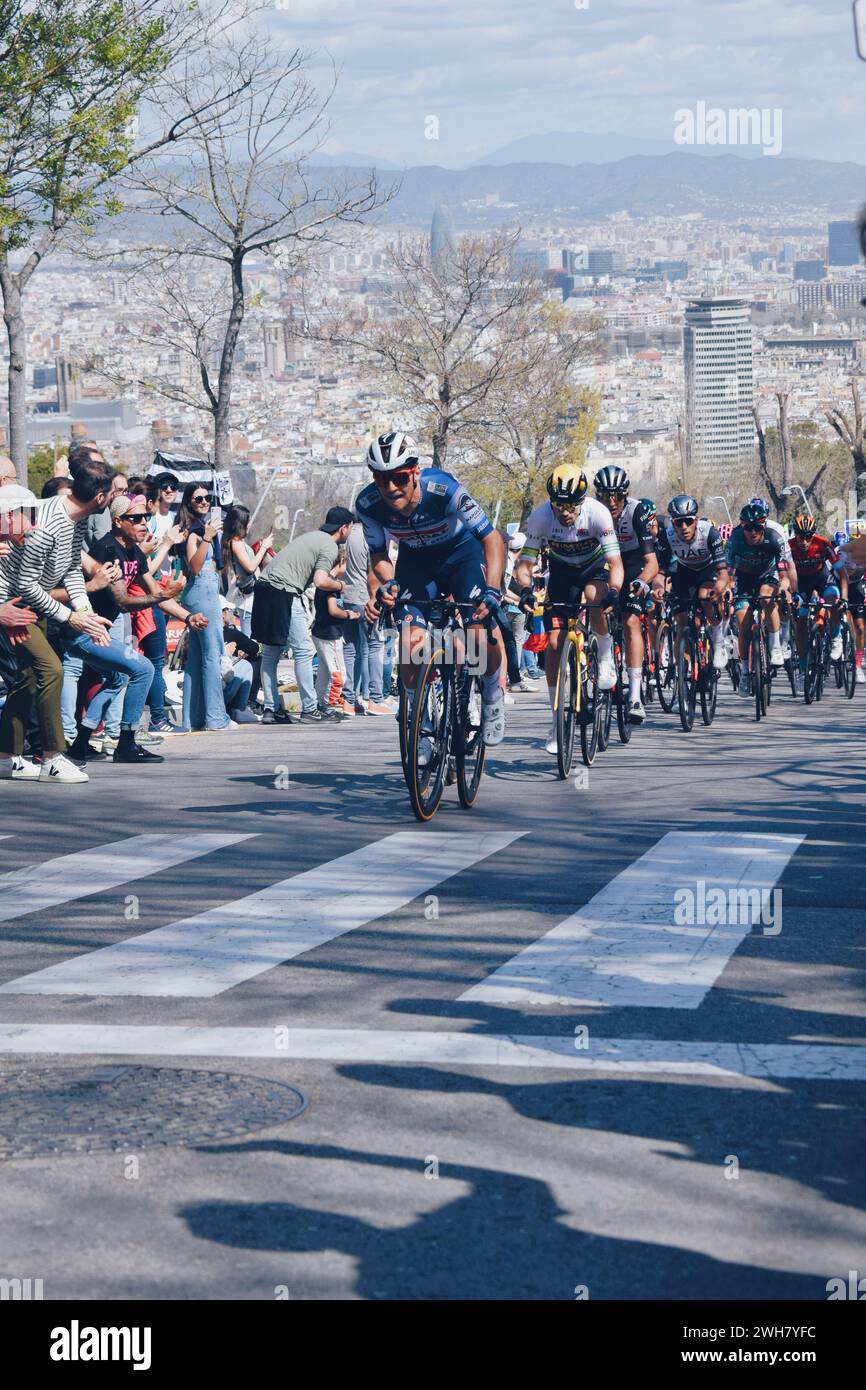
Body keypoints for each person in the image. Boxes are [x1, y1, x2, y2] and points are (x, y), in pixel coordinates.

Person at [359, 431, 507, 760]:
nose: (391, 488)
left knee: (477, 636)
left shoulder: (445, 489)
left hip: (462, 556)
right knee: (410, 643)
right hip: (416, 563)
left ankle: (493, 693)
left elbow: (492, 539)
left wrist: (494, 589)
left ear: (414, 472)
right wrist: (388, 582)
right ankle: (421, 727)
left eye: (398, 478)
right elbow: (379, 554)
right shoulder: (368, 504)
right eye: (382, 480)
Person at [0, 465, 115, 783]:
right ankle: (51, 757)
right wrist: (70, 617)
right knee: (51, 669)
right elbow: (26, 585)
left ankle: (6, 756)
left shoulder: (77, 520)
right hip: (14, 603)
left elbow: (71, 568)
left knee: (27, 677)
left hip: (31, 605)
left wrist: (85, 609)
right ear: (100, 497)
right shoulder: (47, 526)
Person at [512, 463, 622, 755]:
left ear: (582, 500)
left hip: (593, 570)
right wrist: (525, 590)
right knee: (553, 643)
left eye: (571, 505)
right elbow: (524, 565)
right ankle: (556, 719)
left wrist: (614, 591)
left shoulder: (598, 513)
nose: (565, 511)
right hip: (561, 575)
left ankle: (605, 656)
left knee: (594, 595)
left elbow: (616, 563)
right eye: (559, 504)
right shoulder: (540, 518)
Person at [253, 506, 355, 726]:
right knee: (304, 650)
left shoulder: (313, 537)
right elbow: (320, 581)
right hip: (284, 591)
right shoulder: (329, 546)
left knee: (271, 652)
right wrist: (341, 586)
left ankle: (271, 709)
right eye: (351, 528)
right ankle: (310, 709)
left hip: (264, 587)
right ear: (344, 528)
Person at [593, 465, 659, 723]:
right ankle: (598, 659)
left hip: (632, 562)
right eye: (605, 496)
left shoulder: (636, 511)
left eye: (617, 496)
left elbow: (652, 562)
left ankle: (634, 695)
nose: (611, 502)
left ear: (625, 494)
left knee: (631, 620)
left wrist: (643, 581)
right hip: (604, 562)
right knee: (593, 602)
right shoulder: (592, 512)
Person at [174, 481, 235, 732]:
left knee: (198, 658)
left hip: (205, 593)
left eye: (207, 498)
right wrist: (208, 539)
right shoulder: (194, 532)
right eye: (198, 499)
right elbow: (194, 567)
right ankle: (216, 717)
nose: (204, 502)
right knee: (212, 656)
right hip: (201, 593)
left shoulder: (202, 530)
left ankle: (193, 718)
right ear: (189, 502)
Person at [654, 495, 729, 671]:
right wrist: (657, 588)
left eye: (688, 521)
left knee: (705, 597)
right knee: (681, 622)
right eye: (678, 523)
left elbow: (724, 574)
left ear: (695, 520)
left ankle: (718, 642)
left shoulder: (710, 533)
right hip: (684, 573)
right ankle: (682, 670)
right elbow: (661, 572)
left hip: (707, 571)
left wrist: (717, 590)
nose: (684, 527)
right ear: (673, 523)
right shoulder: (666, 537)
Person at [726, 502, 789, 695]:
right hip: (744, 579)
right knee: (743, 628)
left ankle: (776, 646)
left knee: (766, 597)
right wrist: (728, 587)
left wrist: (785, 587)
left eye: (757, 527)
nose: (753, 532)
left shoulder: (774, 538)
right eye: (748, 528)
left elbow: (784, 574)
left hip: (767, 575)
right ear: (742, 526)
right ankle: (745, 672)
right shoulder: (735, 539)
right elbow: (729, 572)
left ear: (764, 525)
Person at [788, 513, 845, 668]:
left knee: (833, 602)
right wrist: (790, 594)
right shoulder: (789, 546)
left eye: (808, 536)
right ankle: (802, 666)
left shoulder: (823, 543)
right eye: (800, 536)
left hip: (823, 581)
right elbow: (784, 575)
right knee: (800, 623)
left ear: (813, 534)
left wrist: (844, 599)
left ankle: (836, 638)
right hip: (802, 585)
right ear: (795, 534)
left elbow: (843, 574)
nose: (804, 541)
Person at [220, 505, 273, 637]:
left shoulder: (237, 542)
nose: (249, 524)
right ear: (240, 523)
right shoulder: (235, 542)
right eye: (247, 521)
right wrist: (264, 547)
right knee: (249, 636)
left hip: (251, 595)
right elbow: (250, 567)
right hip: (248, 598)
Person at [311, 561, 352, 716]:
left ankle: (320, 703)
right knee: (338, 675)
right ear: (341, 562)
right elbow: (334, 610)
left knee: (324, 673)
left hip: (320, 632)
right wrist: (349, 614)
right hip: (330, 635)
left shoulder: (323, 581)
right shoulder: (331, 586)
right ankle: (329, 705)